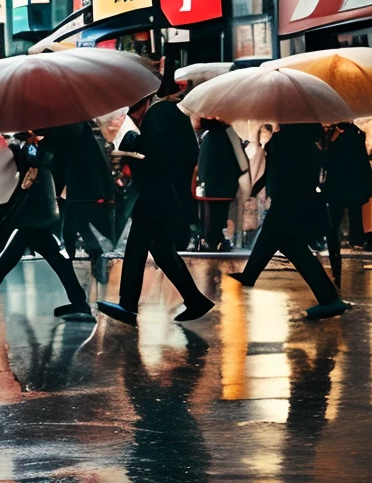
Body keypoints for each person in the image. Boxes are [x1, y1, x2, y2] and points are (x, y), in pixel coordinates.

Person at [95, 82, 215, 326]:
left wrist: (132, 140)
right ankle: (194, 300)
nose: (129, 111)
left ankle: (129, 305)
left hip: (157, 195)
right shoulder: (168, 112)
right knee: (158, 249)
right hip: (159, 194)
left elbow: (157, 152)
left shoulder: (159, 112)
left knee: (141, 247)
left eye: (131, 105)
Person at [0, 132, 94, 319]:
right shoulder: (43, 135)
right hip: (43, 199)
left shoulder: (50, 134)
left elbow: (39, 158)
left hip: (42, 199)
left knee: (30, 235)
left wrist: (29, 145)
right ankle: (78, 301)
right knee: (48, 247)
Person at [228, 123, 350, 319]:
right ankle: (250, 275)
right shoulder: (307, 137)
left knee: (287, 243)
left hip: (288, 198)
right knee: (280, 239)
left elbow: (282, 170)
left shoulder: (290, 138)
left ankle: (329, 299)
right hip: (292, 198)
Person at [42, 121, 118, 277]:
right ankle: (95, 261)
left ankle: (72, 268)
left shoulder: (68, 130)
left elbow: (56, 154)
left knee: (71, 229)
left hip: (78, 189)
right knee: (78, 227)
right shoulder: (81, 129)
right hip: (85, 189)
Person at [321, 121, 372, 285]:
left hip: (339, 182)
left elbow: (329, 159)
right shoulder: (356, 135)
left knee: (337, 215)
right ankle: (354, 239)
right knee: (352, 211)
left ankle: (338, 240)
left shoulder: (340, 137)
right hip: (349, 182)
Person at [194, 118, 243, 252]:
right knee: (219, 216)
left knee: (210, 217)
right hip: (222, 187)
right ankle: (215, 241)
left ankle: (209, 241)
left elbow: (205, 166)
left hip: (211, 188)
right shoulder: (224, 136)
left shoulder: (210, 138)